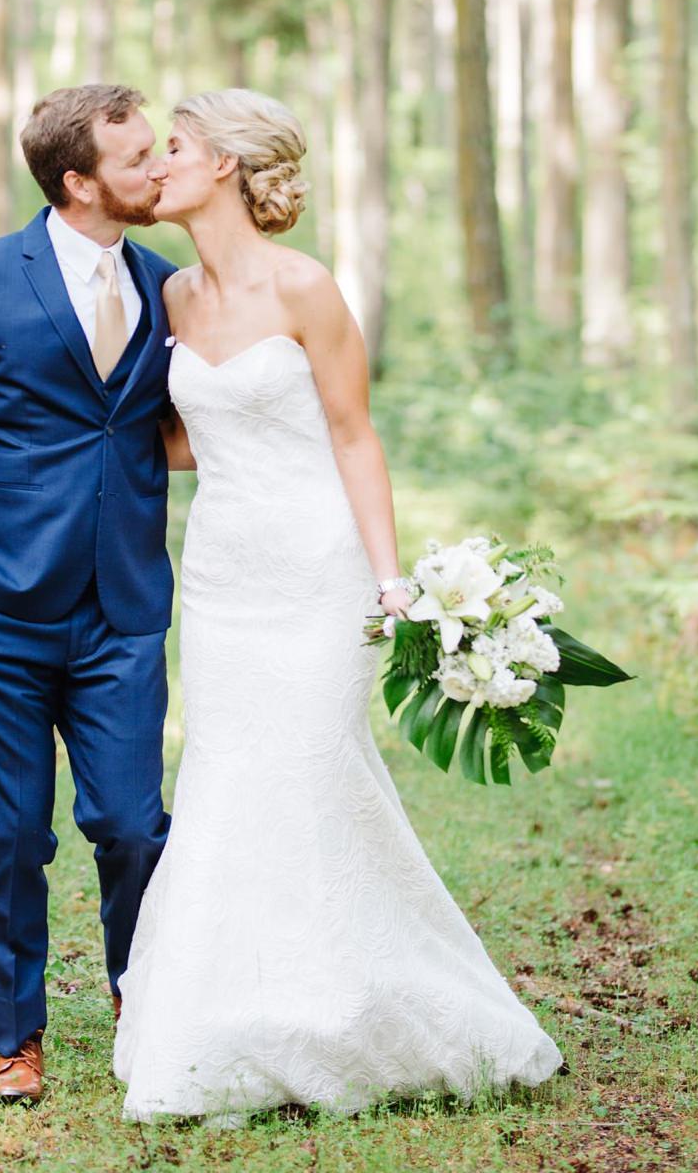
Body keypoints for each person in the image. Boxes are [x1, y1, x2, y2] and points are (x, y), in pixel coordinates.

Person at [112, 88, 564, 1125]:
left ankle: (354, 1011)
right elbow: (179, 438)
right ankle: (225, 1022)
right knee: (227, 781)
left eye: (173, 146)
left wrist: (392, 579)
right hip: (222, 578)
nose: (158, 164)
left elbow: (355, 435)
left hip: (318, 572)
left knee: (313, 770)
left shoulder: (308, 288)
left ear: (224, 163)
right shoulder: (172, 298)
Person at [0, 84, 178, 1104]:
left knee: (133, 824)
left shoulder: (168, 285)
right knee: (14, 831)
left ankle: (143, 1007)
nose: (158, 166)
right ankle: (16, 1044)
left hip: (123, 608)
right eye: (138, 154)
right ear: (78, 181)